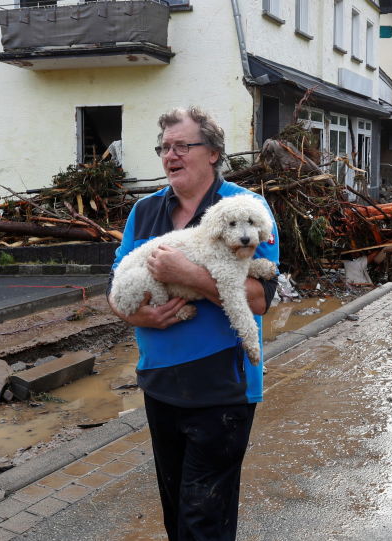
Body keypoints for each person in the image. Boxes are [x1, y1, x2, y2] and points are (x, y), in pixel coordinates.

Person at [108, 106, 279, 540]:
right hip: (160, 381)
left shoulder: (245, 209)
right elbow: (115, 293)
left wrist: (187, 277)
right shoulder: (143, 212)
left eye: (183, 145)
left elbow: (259, 300)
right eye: (165, 147)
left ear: (214, 153)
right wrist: (136, 314)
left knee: (205, 521)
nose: (171, 155)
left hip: (222, 385)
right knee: (176, 515)